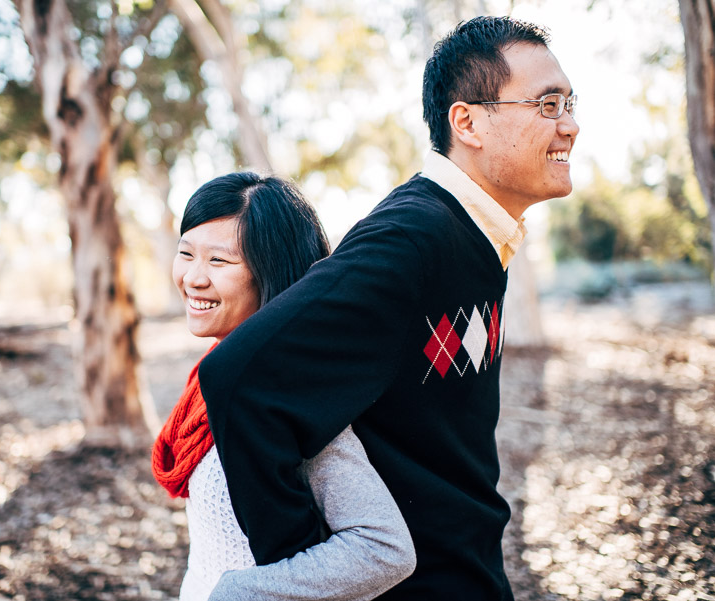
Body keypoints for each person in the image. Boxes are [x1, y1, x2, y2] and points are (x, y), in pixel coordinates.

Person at [198, 16, 580, 600]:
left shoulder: (478, 237)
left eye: (569, 102)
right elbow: (238, 377)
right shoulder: (412, 239)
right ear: (469, 121)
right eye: (547, 104)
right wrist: (303, 574)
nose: (570, 126)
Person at [151, 172, 416, 601]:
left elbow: (383, 549)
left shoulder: (289, 396)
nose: (194, 278)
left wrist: (239, 594)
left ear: (270, 272)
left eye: (219, 261)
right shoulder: (214, 377)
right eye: (186, 254)